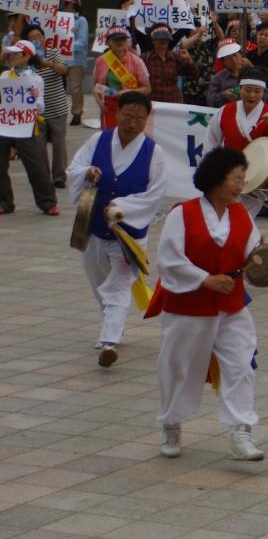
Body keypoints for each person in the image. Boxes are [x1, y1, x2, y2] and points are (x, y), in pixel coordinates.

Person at [145, 147, 267, 462]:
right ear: (215, 180)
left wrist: (263, 261)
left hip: (232, 306)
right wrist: (204, 279)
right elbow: (169, 260)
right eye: (235, 178)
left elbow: (254, 252)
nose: (241, 185)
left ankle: (241, 429)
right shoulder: (182, 214)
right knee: (177, 367)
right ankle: (171, 423)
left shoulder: (242, 214)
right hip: (188, 307)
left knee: (241, 364)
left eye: (242, 178)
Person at [66, 91, 167, 367]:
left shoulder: (153, 152)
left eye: (139, 119)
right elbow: (74, 168)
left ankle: (109, 340)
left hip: (128, 233)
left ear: (147, 120)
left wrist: (121, 207)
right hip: (92, 223)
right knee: (99, 283)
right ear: (117, 113)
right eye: (128, 116)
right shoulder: (98, 139)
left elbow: (154, 194)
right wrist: (85, 173)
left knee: (119, 285)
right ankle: (112, 324)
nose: (132, 124)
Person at [204, 66, 268, 214]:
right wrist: (211, 172)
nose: (252, 95)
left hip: (257, 181)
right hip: (229, 176)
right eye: (247, 90)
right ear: (240, 88)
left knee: (241, 221)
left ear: (263, 92)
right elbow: (210, 144)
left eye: (257, 91)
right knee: (226, 218)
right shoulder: (224, 112)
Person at [0, 40, 58, 215]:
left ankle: (47, 203)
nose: (11, 57)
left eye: (16, 54)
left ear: (27, 56)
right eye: (10, 53)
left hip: (25, 126)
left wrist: (34, 98)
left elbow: (41, 108)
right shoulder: (3, 77)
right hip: (5, 125)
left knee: (35, 165)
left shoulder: (35, 79)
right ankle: (4, 202)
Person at [25, 24, 70, 188]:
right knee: (39, 147)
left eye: (39, 36)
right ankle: (44, 177)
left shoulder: (53, 52)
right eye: (32, 38)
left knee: (59, 145)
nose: (37, 40)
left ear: (44, 38)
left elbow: (65, 70)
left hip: (57, 107)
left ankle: (59, 177)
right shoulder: (25, 59)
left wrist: (48, 64)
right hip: (36, 112)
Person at [94, 26, 151, 129]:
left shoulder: (136, 61)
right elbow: (95, 86)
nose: (120, 42)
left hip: (131, 105)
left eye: (123, 39)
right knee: (109, 137)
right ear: (108, 42)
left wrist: (127, 92)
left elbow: (147, 89)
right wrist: (99, 103)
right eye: (115, 39)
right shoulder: (101, 61)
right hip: (109, 105)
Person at [142, 23, 196, 105]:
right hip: (153, 104)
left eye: (166, 38)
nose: (163, 41)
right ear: (153, 40)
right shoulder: (145, 58)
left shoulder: (175, 56)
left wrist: (189, 60)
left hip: (174, 103)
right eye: (160, 38)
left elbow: (193, 73)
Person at [64, 0, 89, 125]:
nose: (63, 6)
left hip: (75, 59)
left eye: (65, 3)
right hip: (60, 59)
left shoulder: (81, 20)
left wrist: (65, 44)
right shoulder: (60, 19)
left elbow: (83, 42)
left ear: (72, 4)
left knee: (75, 88)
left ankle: (77, 113)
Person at [206, 39, 248, 107]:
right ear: (224, 62)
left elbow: (266, 96)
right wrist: (224, 96)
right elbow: (210, 101)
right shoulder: (218, 78)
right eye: (228, 58)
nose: (233, 60)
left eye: (235, 55)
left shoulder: (251, 74)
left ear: (240, 55)